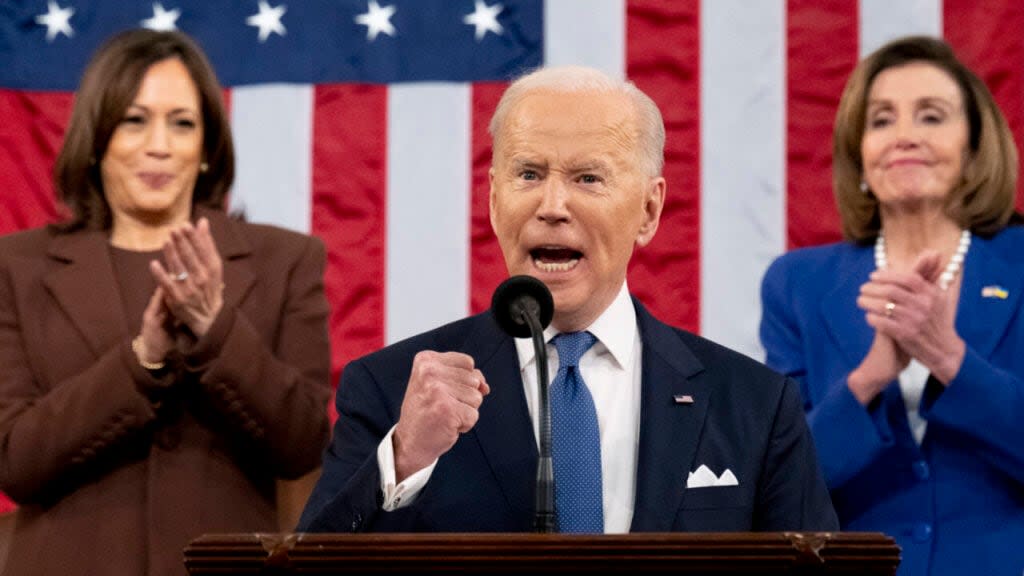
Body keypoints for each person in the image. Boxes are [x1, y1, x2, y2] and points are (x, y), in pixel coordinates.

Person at [298, 65, 837, 534]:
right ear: (492, 200)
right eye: (528, 174)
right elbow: (310, 566)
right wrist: (406, 455)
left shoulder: (755, 406)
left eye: (588, 178)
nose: (552, 205)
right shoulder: (392, 391)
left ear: (649, 211)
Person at [0, 30, 332, 576]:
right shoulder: (18, 266)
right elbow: (14, 460)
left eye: (182, 123)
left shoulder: (284, 260)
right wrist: (141, 361)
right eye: (135, 120)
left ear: (206, 146)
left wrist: (215, 328)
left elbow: (302, 443)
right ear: (98, 137)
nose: (159, 144)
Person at [760, 36, 1024, 576]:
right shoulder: (798, 284)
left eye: (931, 116)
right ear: (860, 154)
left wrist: (949, 357)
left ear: (974, 148)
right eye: (881, 121)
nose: (904, 136)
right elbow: (779, 484)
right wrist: (869, 378)